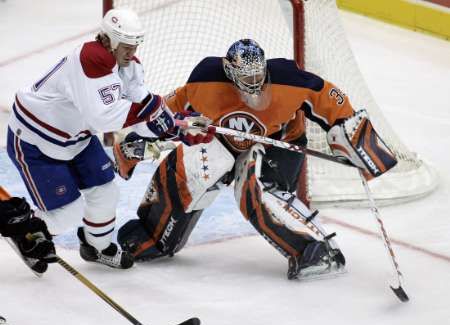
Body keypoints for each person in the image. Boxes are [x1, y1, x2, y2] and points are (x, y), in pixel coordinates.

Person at [115, 39, 397, 279]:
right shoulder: (206, 79)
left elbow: (329, 97)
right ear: (230, 72)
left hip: (279, 144)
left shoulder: (289, 79)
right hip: (226, 141)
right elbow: (166, 112)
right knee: (190, 168)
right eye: (247, 79)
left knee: (255, 186)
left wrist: (349, 130)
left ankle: (316, 250)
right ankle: (154, 233)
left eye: (259, 76)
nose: (256, 85)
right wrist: (137, 137)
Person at [5, 8, 209, 269]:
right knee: (68, 213)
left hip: (76, 139)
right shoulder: (91, 59)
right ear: (109, 40)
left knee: (106, 192)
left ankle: (96, 247)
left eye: (135, 45)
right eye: (126, 45)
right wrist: (154, 115)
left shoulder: (129, 67)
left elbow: (144, 111)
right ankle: (27, 233)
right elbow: (105, 118)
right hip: (36, 139)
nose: (132, 51)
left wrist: (176, 126)